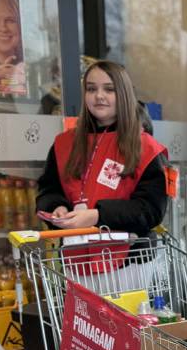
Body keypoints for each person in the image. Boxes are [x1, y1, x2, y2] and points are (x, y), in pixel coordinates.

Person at [36, 60, 168, 236]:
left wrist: (97, 216)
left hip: (130, 252)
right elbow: (48, 190)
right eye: (91, 89)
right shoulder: (63, 144)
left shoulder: (148, 149)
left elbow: (151, 210)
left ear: (124, 94)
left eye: (109, 89)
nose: (99, 95)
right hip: (74, 250)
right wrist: (57, 207)